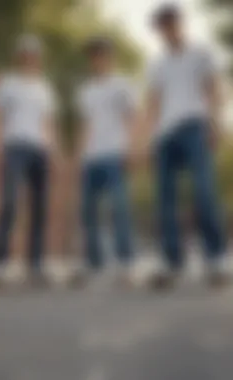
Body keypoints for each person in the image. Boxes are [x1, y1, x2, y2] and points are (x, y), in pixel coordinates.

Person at [138, 4, 230, 289]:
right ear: (158, 30)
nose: (167, 29)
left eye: (171, 23)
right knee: (165, 199)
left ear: (180, 22)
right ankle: (172, 261)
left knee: (203, 191)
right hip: (165, 134)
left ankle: (216, 258)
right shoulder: (156, 64)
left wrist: (215, 123)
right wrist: (147, 138)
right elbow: (153, 101)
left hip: (195, 126)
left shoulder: (201, 53)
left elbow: (214, 87)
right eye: (162, 25)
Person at [0, 35, 59, 291]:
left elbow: (48, 122)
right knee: (9, 204)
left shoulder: (44, 87)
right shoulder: (8, 84)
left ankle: (34, 266)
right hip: (14, 147)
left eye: (33, 54)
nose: (29, 58)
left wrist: (52, 150)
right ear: (19, 56)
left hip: (40, 150)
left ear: (38, 58)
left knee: (39, 208)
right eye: (25, 53)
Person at [75, 37, 137, 287]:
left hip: (115, 153)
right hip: (91, 157)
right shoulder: (86, 90)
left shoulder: (122, 85)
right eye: (94, 55)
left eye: (102, 54)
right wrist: (79, 154)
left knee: (119, 208)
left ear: (110, 57)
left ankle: (126, 264)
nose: (97, 59)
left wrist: (132, 148)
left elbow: (133, 116)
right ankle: (94, 263)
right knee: (88, 210)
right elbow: (85, 124)